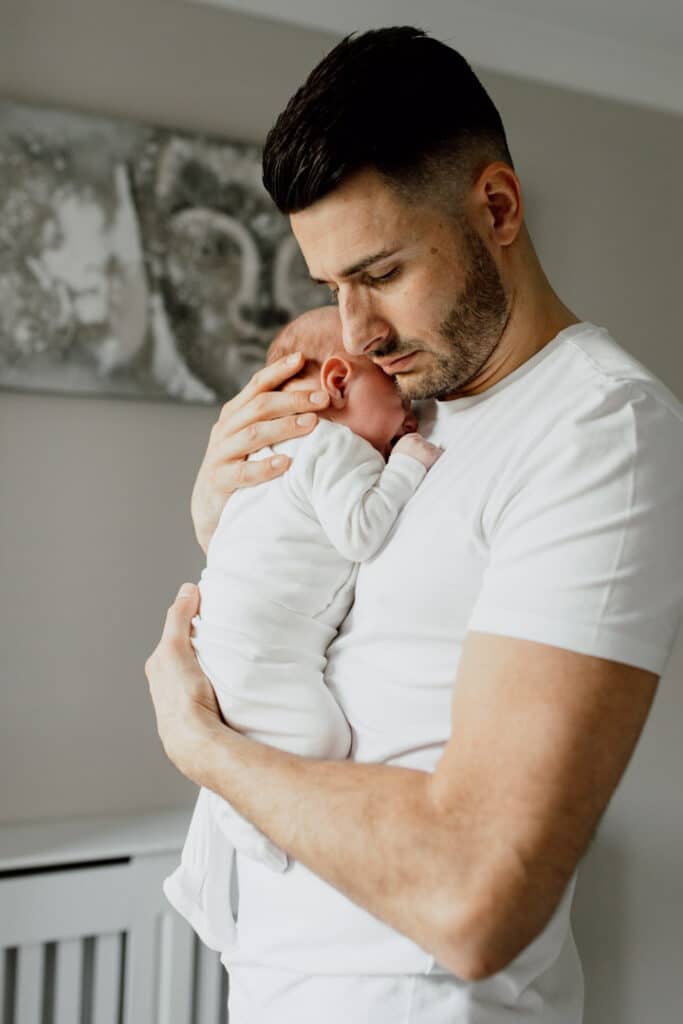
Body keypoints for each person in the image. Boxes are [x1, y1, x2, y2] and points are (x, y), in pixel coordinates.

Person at [145, 26, 683, 1024]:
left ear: (496, 207)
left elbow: (477, 893)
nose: (355, 333)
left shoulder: (599, 430)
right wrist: (226, 522)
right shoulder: (401, 411)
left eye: (381, 272)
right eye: (331, 288)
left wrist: (200, 742)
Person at [162, 305, 440, 952]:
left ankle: (196, 873)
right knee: (314, 736)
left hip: (240, 637)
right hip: (255, 645)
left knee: (257, 740)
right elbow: (361, 532)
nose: (412, 416)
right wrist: (407, 464)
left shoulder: (278, 457)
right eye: (397, 395)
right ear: (338, 380)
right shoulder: (335, 447)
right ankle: (240, 828)